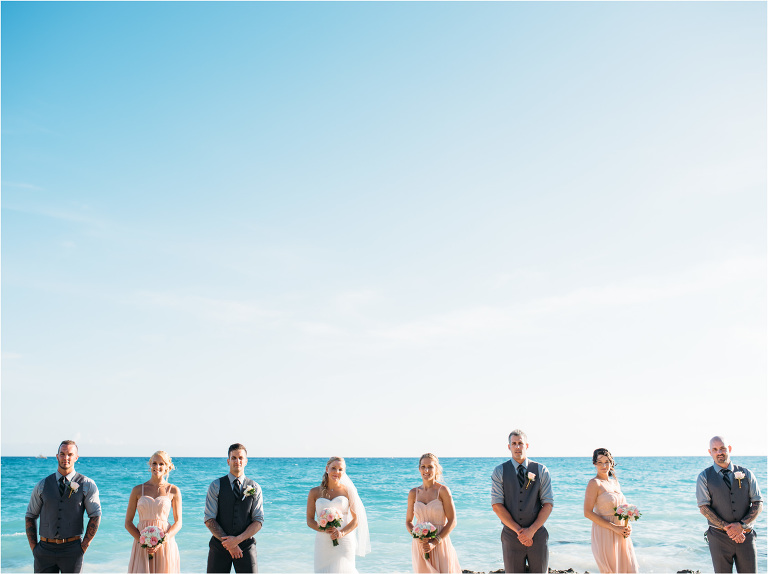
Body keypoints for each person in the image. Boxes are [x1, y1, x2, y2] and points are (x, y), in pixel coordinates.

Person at [25, 440, 102, 573]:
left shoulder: (87, 484)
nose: (66, 458)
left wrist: (84, 546)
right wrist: (34, 548)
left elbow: (95, 515)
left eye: (70, 454)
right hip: (44, 551)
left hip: (73, 550)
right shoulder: (42, 485)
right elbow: (30, 516)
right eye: (62, 454)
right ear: (57, 456)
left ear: (76, 457)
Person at [696, 435, 763, 573]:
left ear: (729, 449)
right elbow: (704, 508)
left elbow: (758, 503)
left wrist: (741, 525)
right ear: (710, 452)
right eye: (715, 449)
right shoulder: (704, 476)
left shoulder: (747, 473)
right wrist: (728, 528)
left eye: (722, 448)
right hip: (718, 538)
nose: (719, 452)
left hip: (746, 536)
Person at [491, 429, 554, 573]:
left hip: (537, 535)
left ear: (527, 445)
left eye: (520, 443)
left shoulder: (541, 470)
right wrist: (519, 532)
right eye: (514, 444)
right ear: (509, 447)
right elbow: (497, 505)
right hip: (511, 537)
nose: (517, 447)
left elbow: (548, 504)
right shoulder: (499, 471)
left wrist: (531, 530)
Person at [204, 443, 264, 573]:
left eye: (241, 458)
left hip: (246, 547)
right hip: (219, 547)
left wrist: (237, 540)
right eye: (234, 458)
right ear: (228, 461)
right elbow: (209, 519)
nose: (237, 461)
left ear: (246, 461)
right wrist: (229, 544)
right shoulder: (215, 486)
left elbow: (258, 521)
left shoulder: (255, 487)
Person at [306, 457, 371, 573]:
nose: (337, 472)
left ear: (344, 472)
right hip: (323, 542)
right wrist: (323, 529)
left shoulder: (348, 491)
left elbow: (356, 520)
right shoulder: (314, 492)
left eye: (340, 469)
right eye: (333, 468)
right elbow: (310, 520)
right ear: (327, 469)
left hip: (344, 541)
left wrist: (341, 533)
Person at [582, 448, 639, 573]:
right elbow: (587, 512)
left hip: (621, 532)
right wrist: (614, 527)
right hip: (605, 532)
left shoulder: (615, 483)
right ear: (594, 464)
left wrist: (627, 526)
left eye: (606, 462)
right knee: (611, 570)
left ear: (611, 462)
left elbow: (622, 509)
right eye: (600, 462)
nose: (604, 466)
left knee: (630, 569)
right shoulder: (594, 483)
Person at [125, 451, 182, 572]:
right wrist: (142, 541)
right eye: (154, 463)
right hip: (142, 545)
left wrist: (163, 540)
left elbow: (178, 523)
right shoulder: (137, 490)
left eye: (161, 464)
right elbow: (128, 523)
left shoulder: (173, 490)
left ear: (167, 467)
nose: (157, 467)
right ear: (150, 465)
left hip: (165, 544)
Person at [405, 453, 461, 573]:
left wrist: (434, 542)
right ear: (419, 469)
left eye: (430, 467)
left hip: (440, 543)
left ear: (436, 469)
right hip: (420, 545)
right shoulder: (413, 493)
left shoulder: (443, 491)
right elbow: (408, 521)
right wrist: (417, 536)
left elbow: (452, 521)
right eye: (423, 467)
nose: (426, 470)